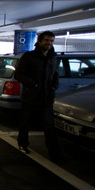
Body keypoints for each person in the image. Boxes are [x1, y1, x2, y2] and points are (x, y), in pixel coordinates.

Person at [14, 31, 65, 162]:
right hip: (30, 96)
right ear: (40, 41)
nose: (49, 43)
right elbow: (18, 75)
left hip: (47, 96)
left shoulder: (53, 57)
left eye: (51, 41)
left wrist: (55, 85)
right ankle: (22, 144)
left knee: (49, 125)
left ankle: (54, 152)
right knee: (26, 122)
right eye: (47, 40)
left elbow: (55, 74)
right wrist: (33, 84)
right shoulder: (29, 56)